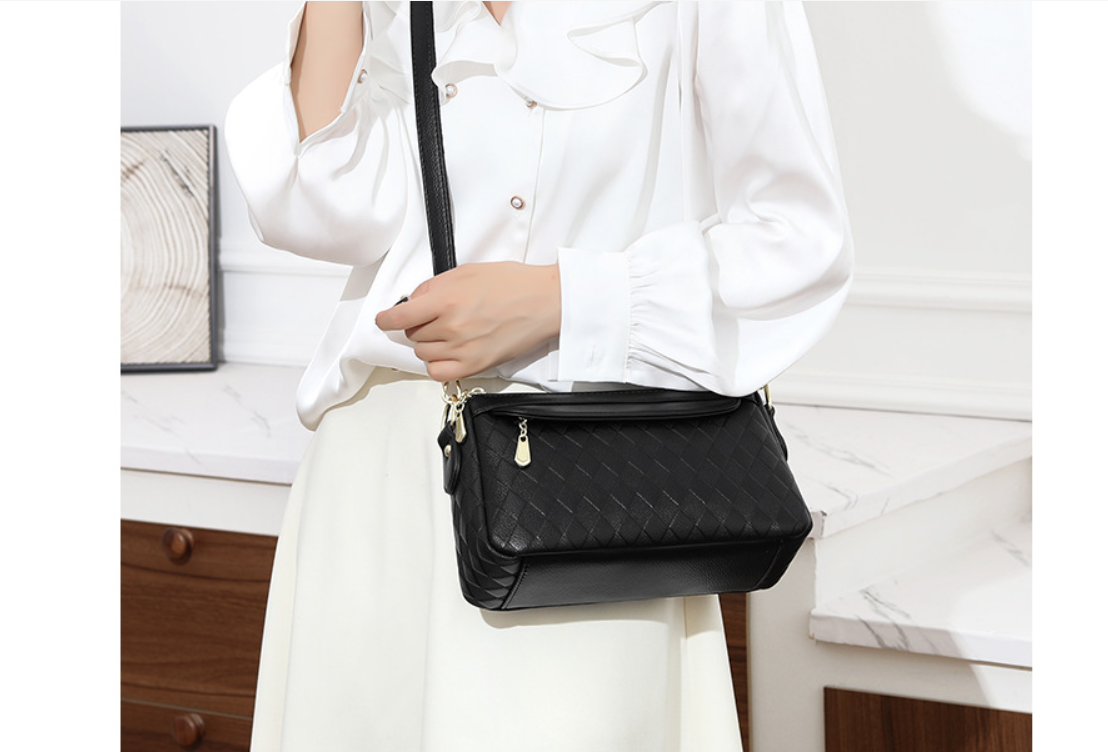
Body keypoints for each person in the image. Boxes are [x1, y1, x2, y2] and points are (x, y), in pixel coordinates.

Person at [225, 2, 852, 750]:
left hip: (586, 496)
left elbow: (798, 242)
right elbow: (320, 209)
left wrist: (564, 300)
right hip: (373, 483)